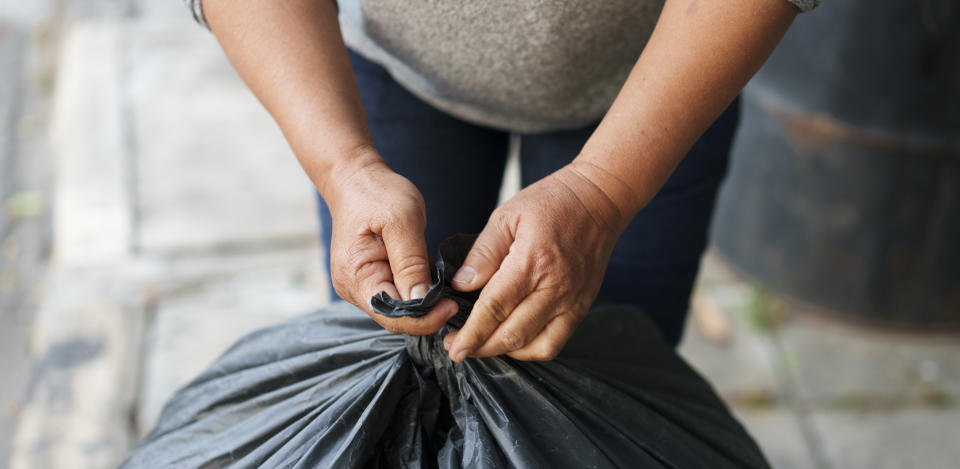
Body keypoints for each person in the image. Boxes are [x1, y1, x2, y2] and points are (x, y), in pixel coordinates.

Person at [187, 0, 814, 361]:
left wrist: (601, 192)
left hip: (660, 78)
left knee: (612, 376)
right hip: (393, 73)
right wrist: (347, 165)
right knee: (388, 361)